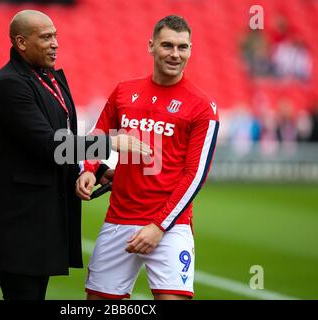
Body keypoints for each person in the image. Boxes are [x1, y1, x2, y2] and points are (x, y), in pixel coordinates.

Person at [0, 10, 150, 300]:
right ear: (21, 42)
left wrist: (92, 170)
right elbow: (49, 145)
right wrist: (110, 142)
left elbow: (63, 139)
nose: (55, 43)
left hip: (42, 215)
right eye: (46, 37)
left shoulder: (48, 78)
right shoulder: (10, 85)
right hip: (17, 218)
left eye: (55, 35)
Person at [76, 15, 220, 300]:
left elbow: (195, 176)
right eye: (167, 45)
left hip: (169, 227)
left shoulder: (203, 107)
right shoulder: (124, 91)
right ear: (151, 46)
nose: (175, 54)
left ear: (191, 49)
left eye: (183, 47)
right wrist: (89, 168)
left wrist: (159, 226)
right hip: (118, 219)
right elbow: (99, 132)